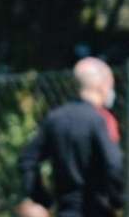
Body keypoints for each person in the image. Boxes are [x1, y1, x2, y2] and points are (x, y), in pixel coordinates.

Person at [17, 57, 124, 217]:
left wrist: (42, 198)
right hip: (97, 210)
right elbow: (113, 164)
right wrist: (117, 200)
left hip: (66, 210)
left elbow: (27, 160)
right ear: (101, 84)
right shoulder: (100, 119)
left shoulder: (55, 118)